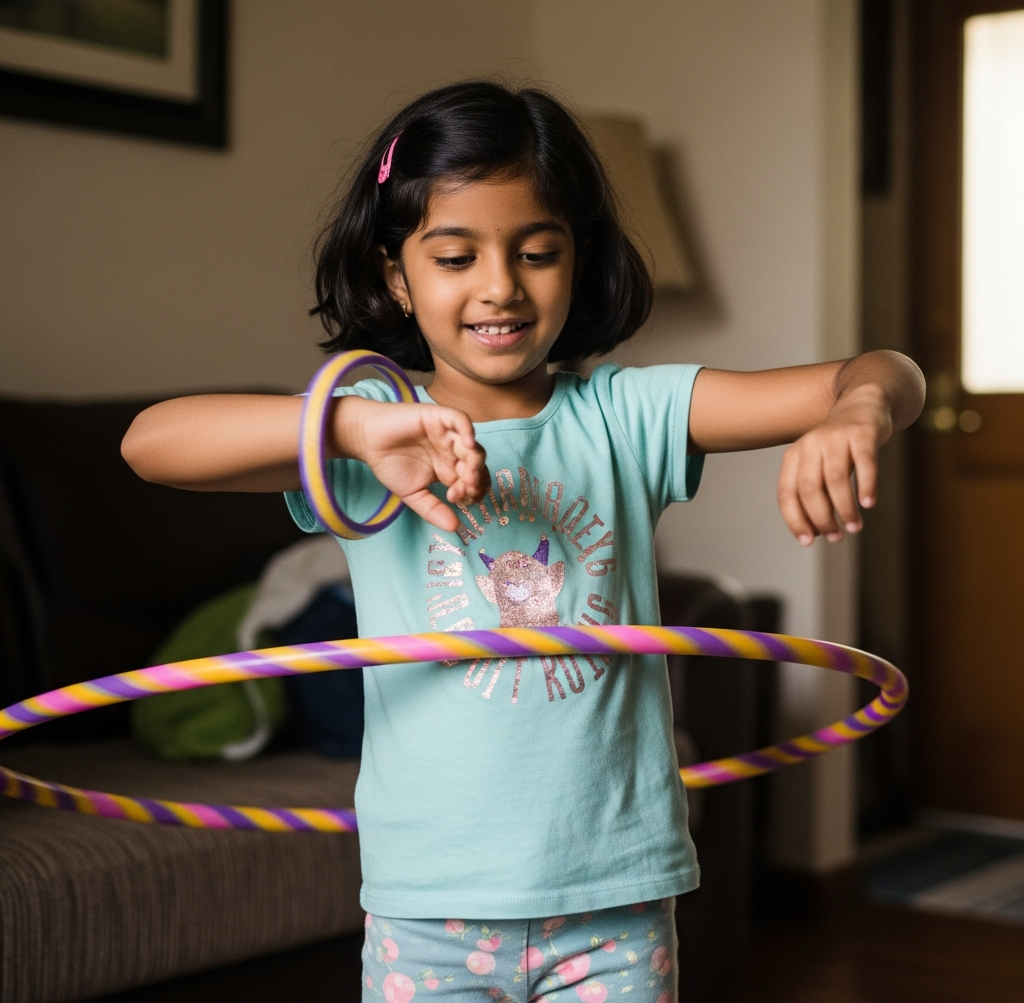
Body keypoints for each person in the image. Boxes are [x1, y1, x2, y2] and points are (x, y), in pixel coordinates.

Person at [122, 80, 925, 1003]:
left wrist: (855, 414)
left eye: (537, 252)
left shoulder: (628, 417)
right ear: (396, 274)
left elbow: (884, 370)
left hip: (616, 900)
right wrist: (343, 429)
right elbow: (150, 443)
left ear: (577, 260)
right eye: (454, 256)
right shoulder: (373, 430)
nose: (499, 286)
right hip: (428, 907)